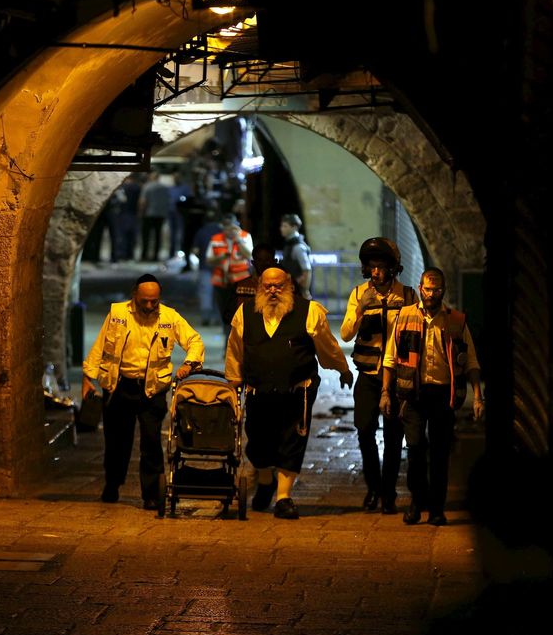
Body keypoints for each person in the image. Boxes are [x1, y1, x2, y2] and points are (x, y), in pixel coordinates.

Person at [225, 265, 354, 519]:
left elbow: (327, 345)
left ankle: (284, 497)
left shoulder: (309, 311)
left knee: (291, 441)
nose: (273, 290)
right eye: (267, 286)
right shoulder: (245, 313)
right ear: (260, 287)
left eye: (278, 286)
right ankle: (265, 481)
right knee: (259, 441)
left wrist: (342, 369)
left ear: (289, 286)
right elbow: (235, 348)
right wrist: (233, 379)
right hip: (257, 390)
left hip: (297, 391)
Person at [82, 274, 205, 509]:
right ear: (134, 296)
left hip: (152, 389)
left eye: (154, 302)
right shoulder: (118, 314)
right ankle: (112, 483)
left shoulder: (169, 317)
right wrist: (88, 377)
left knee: (151, 440)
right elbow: (100, 346)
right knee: (117, 441)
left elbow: (194, 340)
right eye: (145, 301)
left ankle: (151, 493)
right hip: (120, 386)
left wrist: (189, 363)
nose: (149, 306)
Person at [380, 267, 484, 526]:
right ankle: (416, 503)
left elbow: (470, 360)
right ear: (419, 288)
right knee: (415, 450)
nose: (431, 294)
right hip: (413, 395)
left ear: (443, 291)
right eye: (427, 289)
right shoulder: (404, 317)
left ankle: (437, 508)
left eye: (436, 290)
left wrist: (478, 396)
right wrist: (385, 392)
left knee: (439, 453)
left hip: (443, 394)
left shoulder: (456, 321)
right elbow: (390, 358)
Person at [340, 237, 416, 515]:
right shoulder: (359, 294)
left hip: (396, 377)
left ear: (393, 268)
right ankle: (373, 487)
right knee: (364, 431)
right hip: (369, 374)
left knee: (395, 436)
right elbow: (346, 333)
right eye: (371, 267)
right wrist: (361, 310)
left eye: (381, 267)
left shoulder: (407, 296)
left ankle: (389, 493)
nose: (375, 272)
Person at [206, 213, 253, 334]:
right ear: (223, 227)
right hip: (222, 282)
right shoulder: (216, 239)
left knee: (240, 313)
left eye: (232, 227)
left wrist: (238, 241)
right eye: (227, 228)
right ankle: (228, 341)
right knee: (225, 314)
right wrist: (221, 257)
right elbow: (208, 260)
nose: (229, 231)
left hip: (241, 282)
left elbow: (249, 256)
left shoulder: (245, 236)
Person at [190, 209, 222, 326]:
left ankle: (206, 317)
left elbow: (195, 250)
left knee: (205, 293)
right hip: (220, 268)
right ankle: (218, 318)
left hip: (205, 267)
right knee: (218, 294)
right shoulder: (221, 232)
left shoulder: (201, 232)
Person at [230, 243, 277, 317]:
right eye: (260, 260)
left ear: (275, 261)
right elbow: (230, 315)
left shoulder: (286, 285)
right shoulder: (241, 285)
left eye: (267, 259)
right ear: (253, 263)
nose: (264, 264)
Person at [138, 171, 173, 261]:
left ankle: (144, 255)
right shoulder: (165, 188)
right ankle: (155, 256)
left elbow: (143, 201)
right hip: (160, 215)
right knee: (158, 236)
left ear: (151, 177)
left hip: (149, 214)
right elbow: (168, 201)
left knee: (146, 236)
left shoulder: (147, 186)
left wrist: (141, 213)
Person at [279, 213, 313, 299]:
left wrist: (305, 290)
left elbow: (307, 270)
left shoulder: (298, 247)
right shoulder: (289, 245)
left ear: (294, 227)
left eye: (285, 226)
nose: (282, 229)